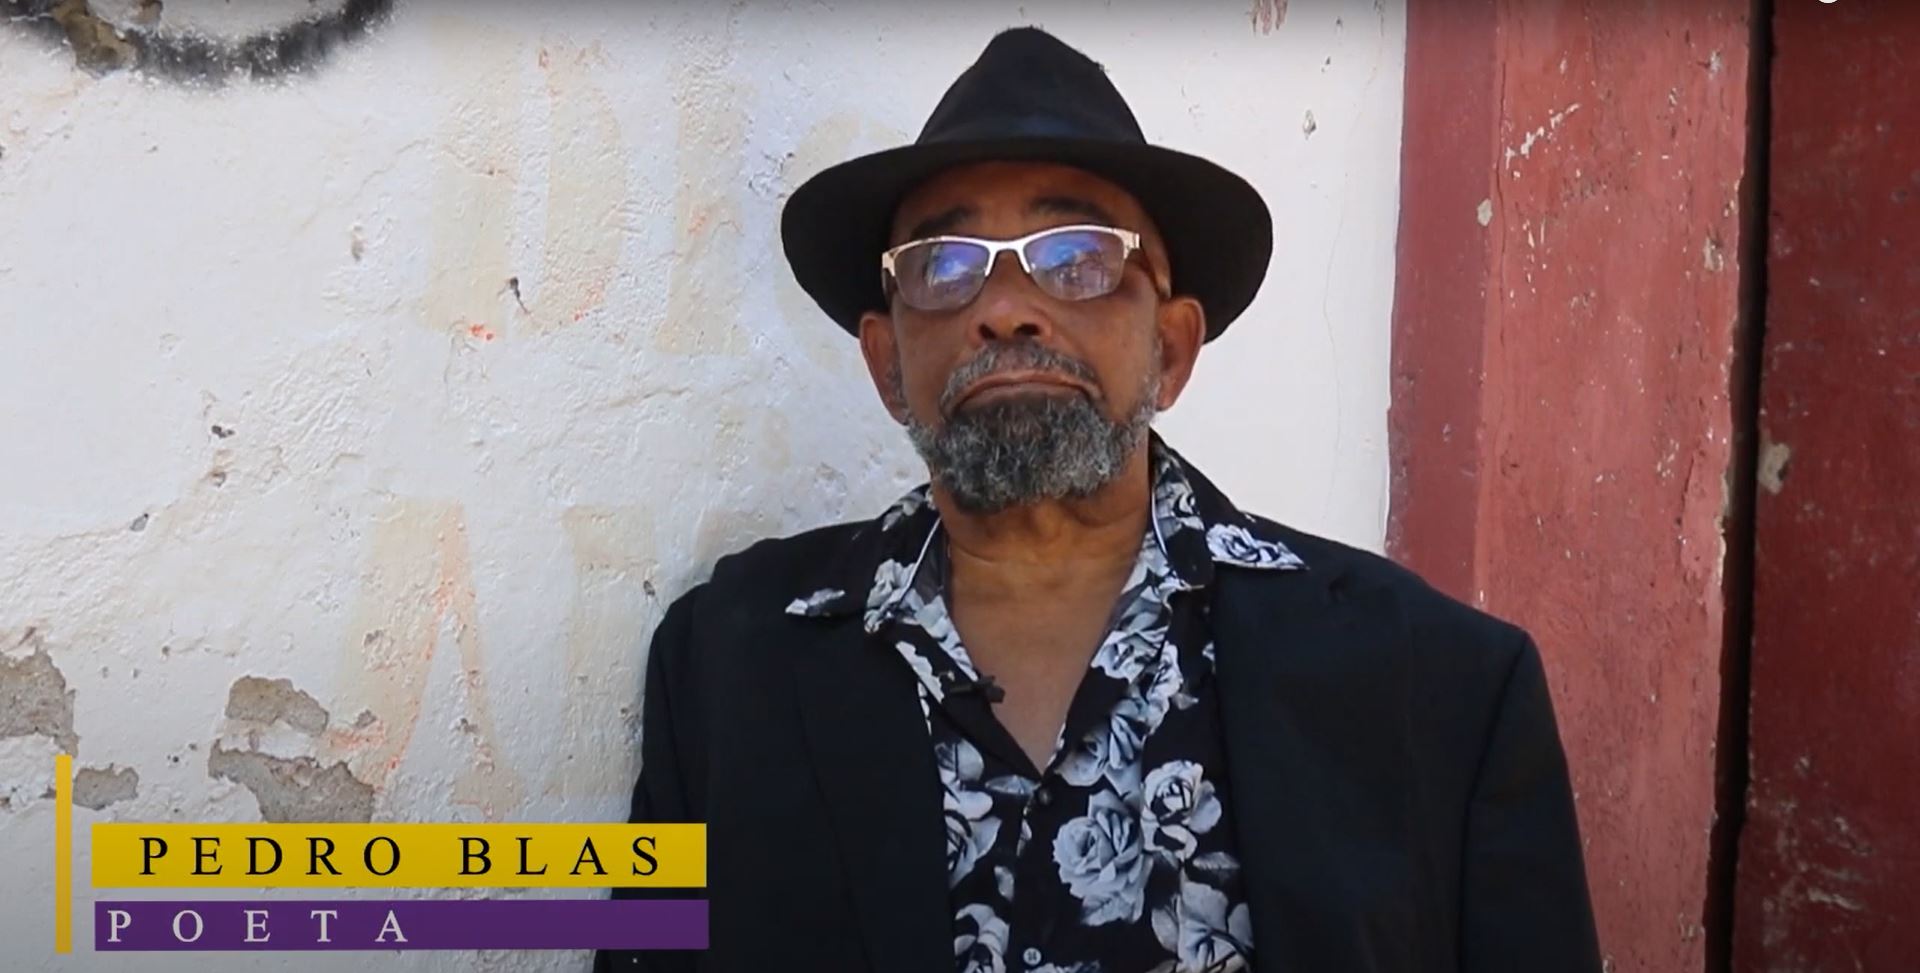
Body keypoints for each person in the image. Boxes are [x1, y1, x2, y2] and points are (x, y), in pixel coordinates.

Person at [598, 26, 1601, 973]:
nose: (1003, 308)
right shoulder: (727, 662)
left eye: (1075, 259)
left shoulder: (1444, 689)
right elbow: (622, 933)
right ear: (888, 365)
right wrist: (442, 906)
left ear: (1170, 347)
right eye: (943, 267)